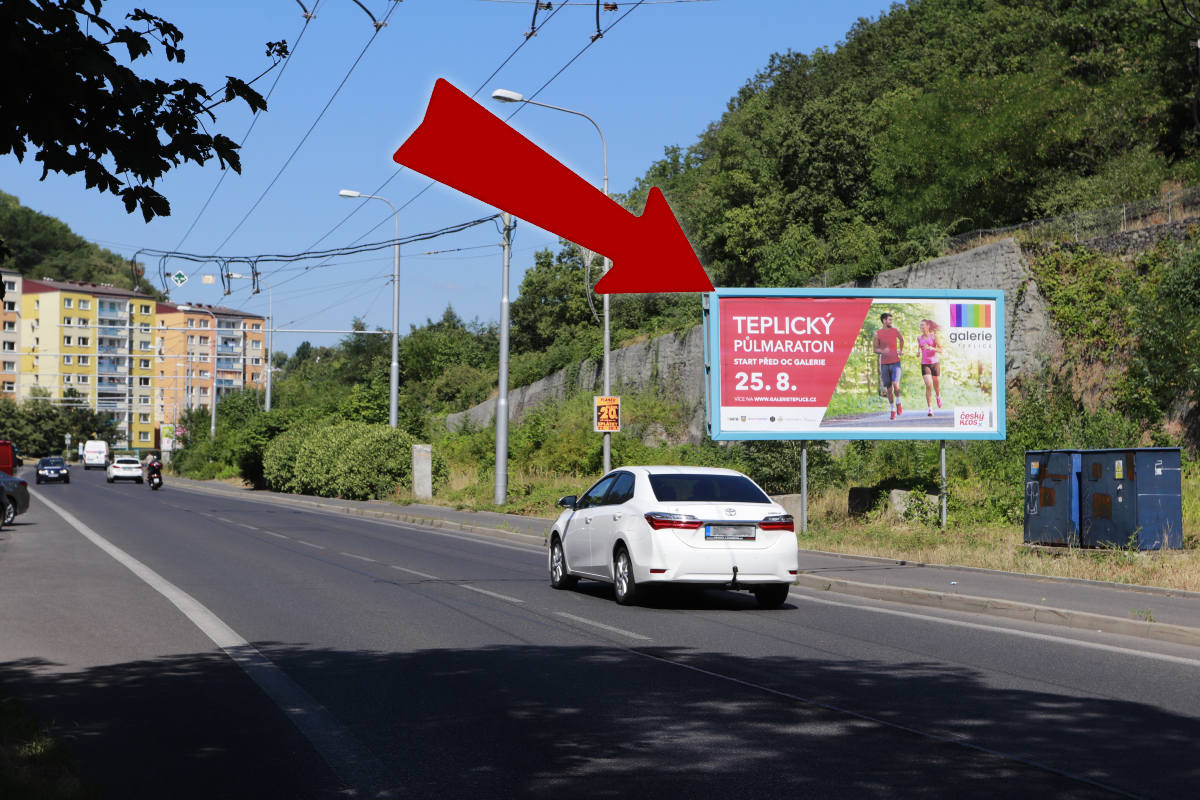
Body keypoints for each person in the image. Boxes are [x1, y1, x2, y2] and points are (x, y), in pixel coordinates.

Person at [872, 312, 904, 419]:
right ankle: (892, 410)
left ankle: (898, 402)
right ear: (884, 321)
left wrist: (901, 350)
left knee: (896, 384)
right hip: (884, 364)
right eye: (889, 319)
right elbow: (875, 349)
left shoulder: (895, 331)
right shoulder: (877, 334)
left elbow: (901, 339)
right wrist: (883, 351)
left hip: (895, 362)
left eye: (891, 319)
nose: (891, 321)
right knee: (889, 389)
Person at [918, 319, 943, 416]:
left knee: (936, 386)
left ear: (928, 326)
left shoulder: (934, 337)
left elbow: (941, 350)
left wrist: (931, 348)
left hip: (934, 363)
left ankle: (938, 396)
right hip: (925, 364)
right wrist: (918, 352)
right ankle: (930, 409)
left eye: (922, 325)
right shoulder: (919, 337)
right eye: (920, 325)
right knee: (929, 384)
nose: (921, 327)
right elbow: (920, 346)